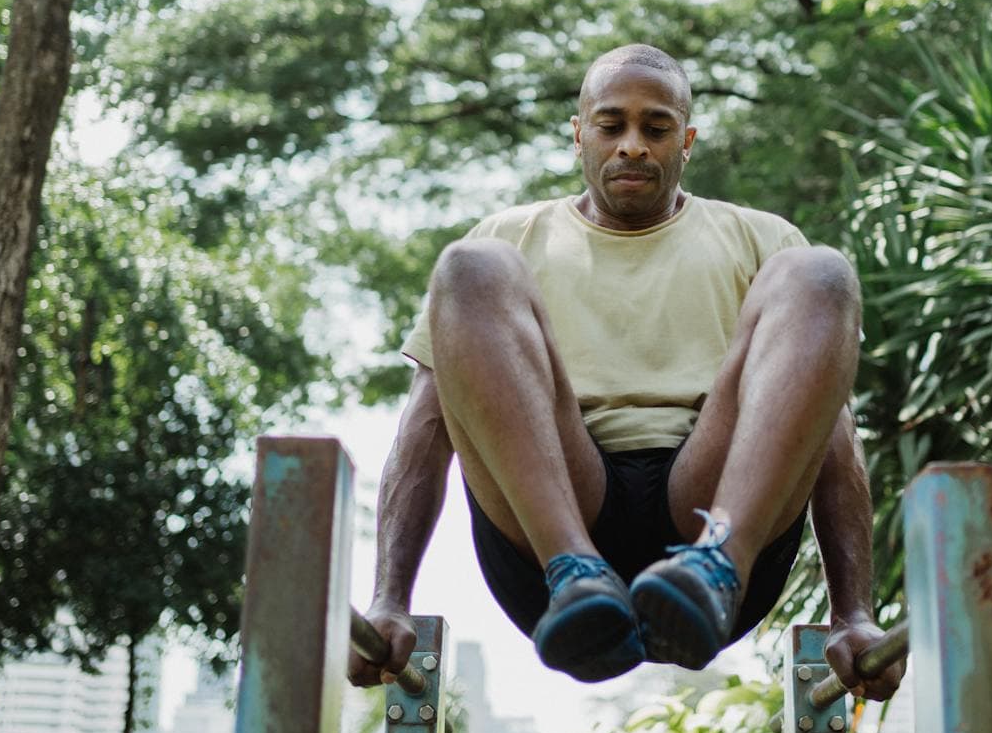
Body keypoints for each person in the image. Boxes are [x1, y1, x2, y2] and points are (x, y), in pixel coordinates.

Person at [348, 44, 903, 699]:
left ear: (686, 141)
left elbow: (828, 430)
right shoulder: (511, 233)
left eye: (656, 127)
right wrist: (389, 598)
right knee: (470, 267)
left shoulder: (758, 238)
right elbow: (427, 423)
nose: (633, 144)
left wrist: (853, 613)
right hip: (553, 520)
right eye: (611, 125)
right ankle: (575, 571)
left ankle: (716, 568)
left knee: (819, 273)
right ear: (579, 133)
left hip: (714, 514)